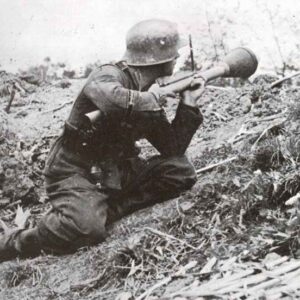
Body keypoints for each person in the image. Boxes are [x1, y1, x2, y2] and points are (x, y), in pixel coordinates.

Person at [0, 19, 204, 261]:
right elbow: (113, 100)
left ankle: (103, 210)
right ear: (156, 58)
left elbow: (172, 147)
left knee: (179, 171)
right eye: (173, 53)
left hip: (114, 172)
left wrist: (188, 102)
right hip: (74, 171)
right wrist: (152, 99)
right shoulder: (109, 75)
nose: (176, 58)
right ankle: (17, 242)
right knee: (88, 229)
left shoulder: (148, 90)